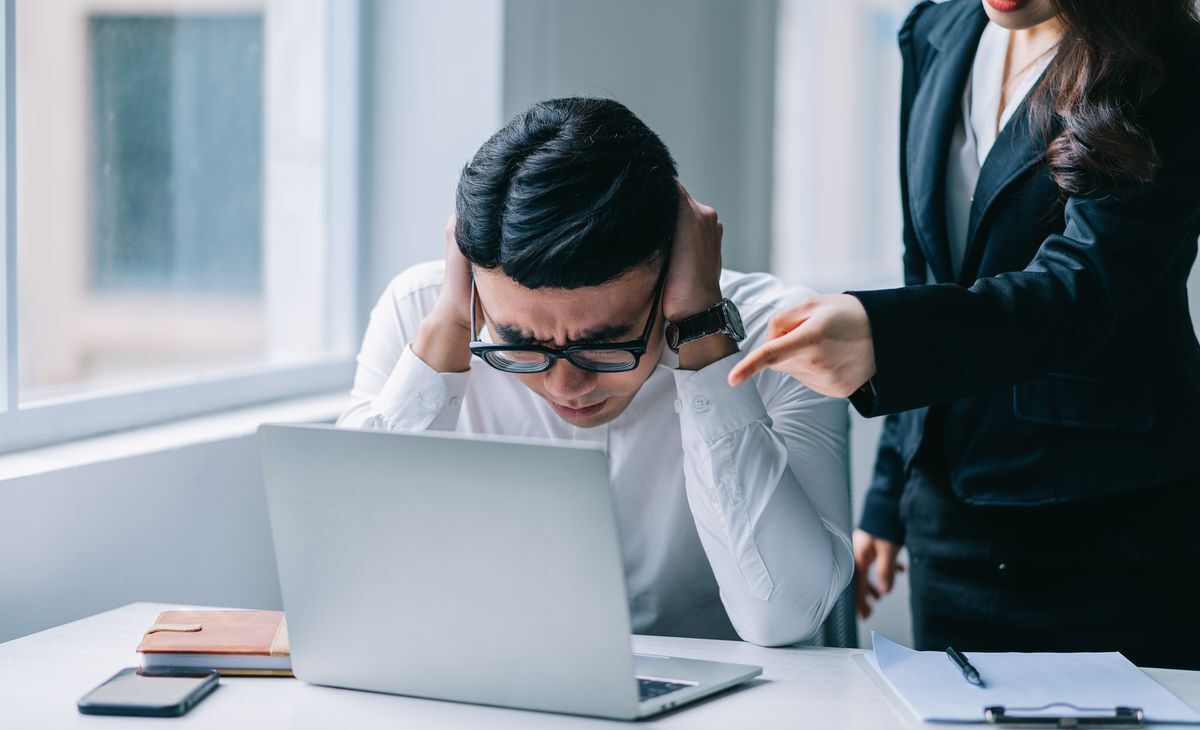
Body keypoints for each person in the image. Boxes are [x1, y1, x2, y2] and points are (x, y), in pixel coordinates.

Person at [730, 0, 1200, 669]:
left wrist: (884, 337)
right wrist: (890, 493)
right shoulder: (937, 27)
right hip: (948, 512)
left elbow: (1083, 285)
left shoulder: (1171, 63)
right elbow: (926, 260)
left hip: (1109, 517)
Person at [338, 97, 852, 647]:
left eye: (606, 342)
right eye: (518, 340)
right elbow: (348, 575)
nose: (564, 386)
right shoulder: (424, 313)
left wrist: (704, 332)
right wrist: (447, 333)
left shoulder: (785, 337)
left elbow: (783, 617)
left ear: (676, 267)